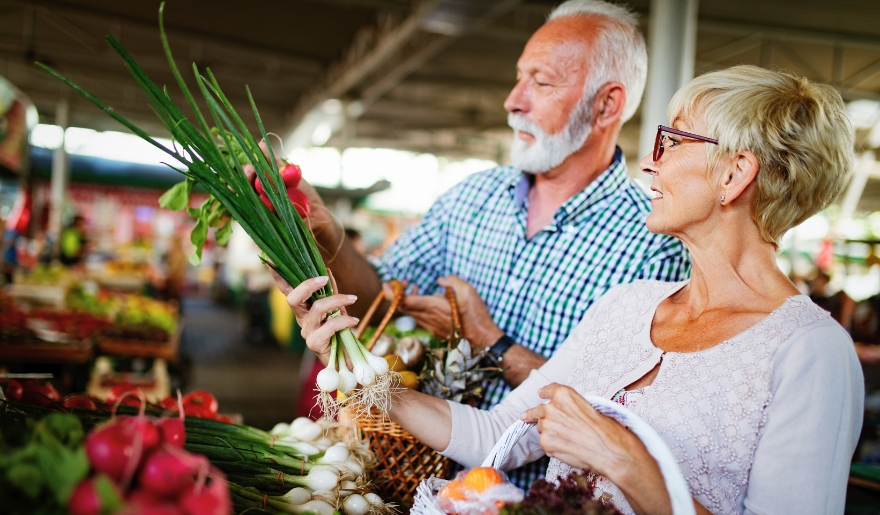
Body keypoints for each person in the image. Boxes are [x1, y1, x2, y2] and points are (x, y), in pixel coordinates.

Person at [278, 65, 864, 514]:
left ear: (735, 174)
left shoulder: (811, 352)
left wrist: (629, 466)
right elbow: (494, 435)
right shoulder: (627, 306)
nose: (649, 164)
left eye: (671, 141)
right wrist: (354, 370)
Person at [290, 0, 690, 487]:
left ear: (607, 105)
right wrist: (328, 235)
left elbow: (618, 417)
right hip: (416, 482)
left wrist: (490, 340)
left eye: (541, 83)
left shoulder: (652, 243)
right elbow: (376, 297)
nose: (513, 100)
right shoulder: (472, 197)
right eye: (520, 77)